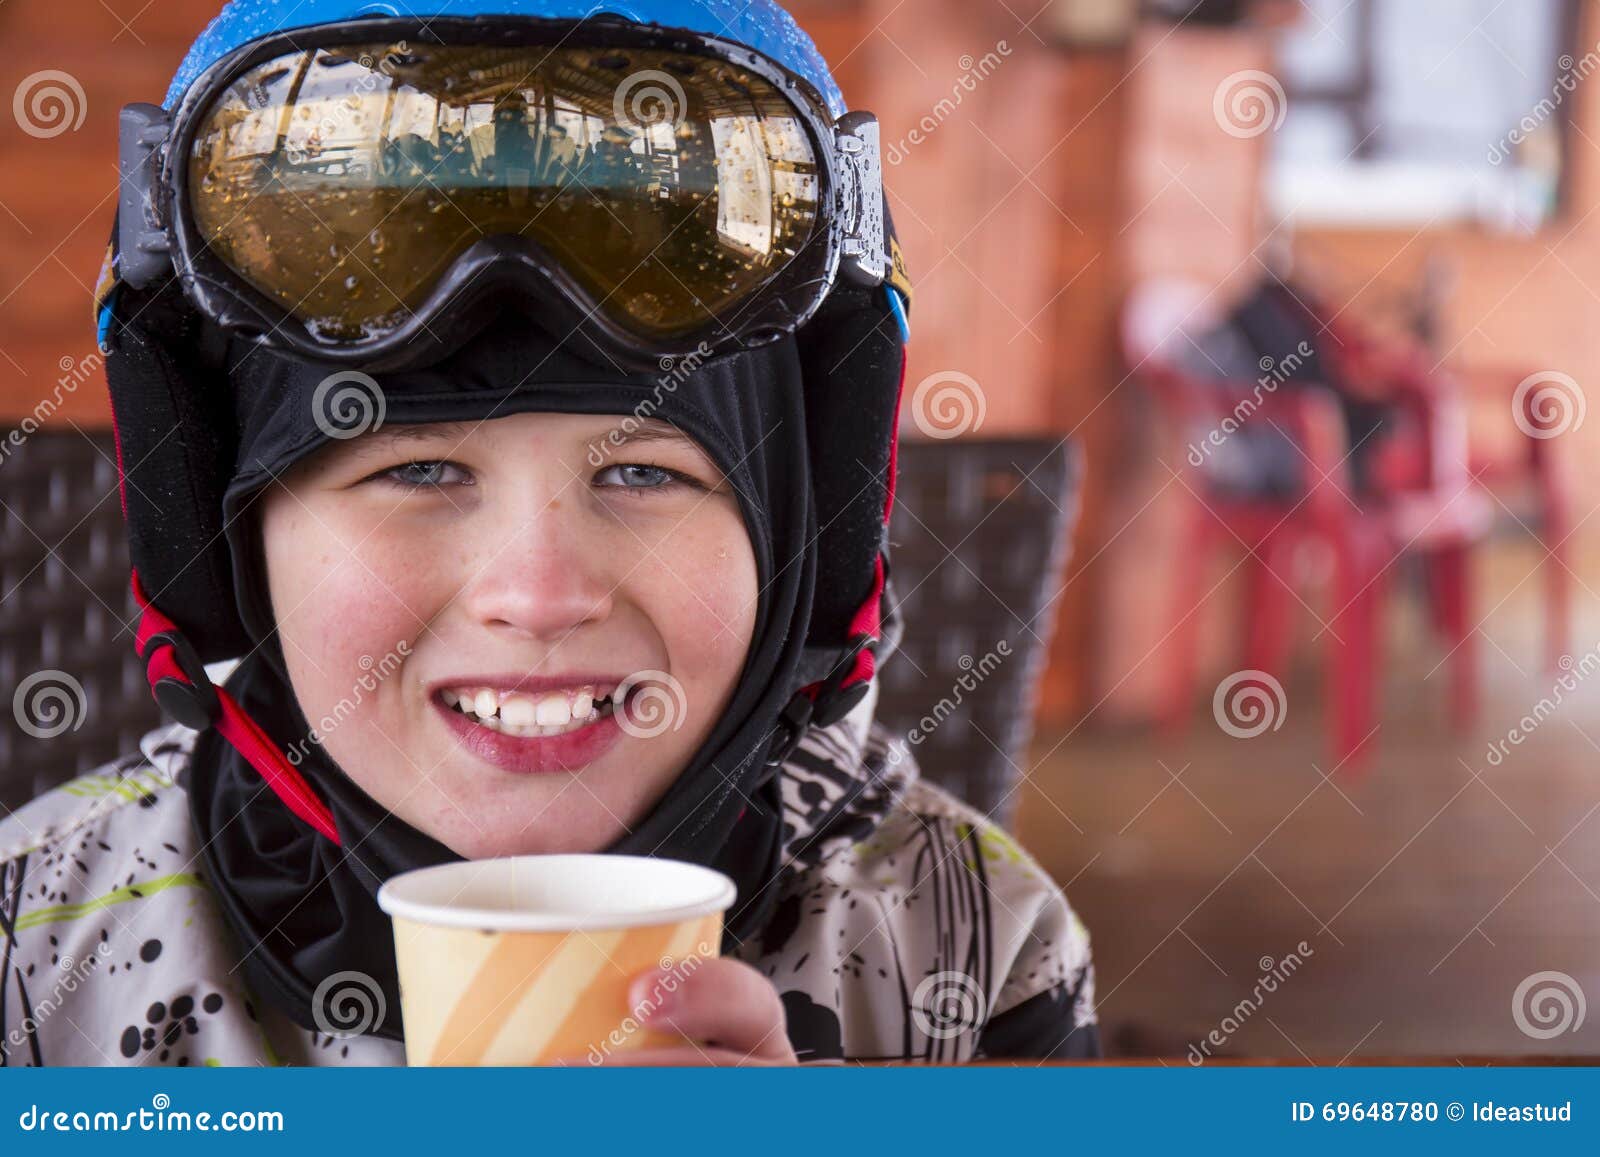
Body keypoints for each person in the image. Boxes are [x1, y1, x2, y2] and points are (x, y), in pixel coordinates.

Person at [0, 0, 1097, 1067]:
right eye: (416, 470)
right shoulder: (34, 950)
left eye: (641, 471)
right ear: (228, 553)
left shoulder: (968, 944)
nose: (538, 591)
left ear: (799, 546)